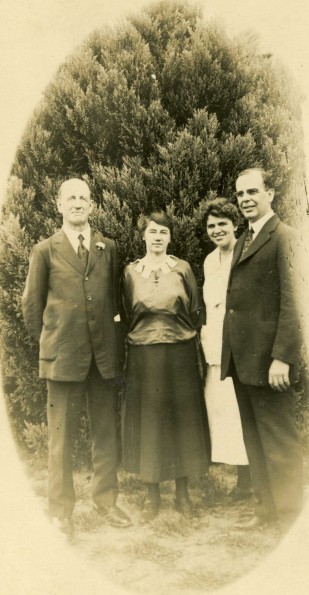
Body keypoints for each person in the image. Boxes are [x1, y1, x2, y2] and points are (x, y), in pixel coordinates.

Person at [22, 178, 131, 531]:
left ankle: (106, 502)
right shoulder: (45, 250)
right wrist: (53, 343)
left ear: (92, 205)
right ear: (59, 205)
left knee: (105, 433)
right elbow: (31, 306)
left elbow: (114, 300)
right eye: (71, 198)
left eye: (84, 197)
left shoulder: (107, 247)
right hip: (63, 359)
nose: (78, 203)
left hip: (102, 359)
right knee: (61, 439)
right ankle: (60, 512)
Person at [221, 167, 303, 531]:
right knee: (253, 438)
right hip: (242, 362)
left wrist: (282, 357)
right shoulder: (243, 241)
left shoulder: (286, 237)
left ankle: (289, 519)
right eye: (240, 195)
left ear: (270, 194)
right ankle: (264, 511)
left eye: (253, 191)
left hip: (271, 363)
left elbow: (295, 303)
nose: (246, 200)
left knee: (280, 442)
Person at [121, 211, 210, 522]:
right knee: (151, 422)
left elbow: (196, 311)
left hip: (180, 353)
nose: (157, 237)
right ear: (144, 236)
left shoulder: (183, 268)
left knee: (181, 420)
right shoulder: (130, 272)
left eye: (163, 232)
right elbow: (125, 312)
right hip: (145, 356)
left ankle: (182, 494)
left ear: (170, 238)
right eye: (152, 231)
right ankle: (151, 497)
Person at [201, 198, 251, 500]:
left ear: (235, 224)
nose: (217, 230)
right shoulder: (209, 261)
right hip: (215, 346)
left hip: (240, 345)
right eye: (211, 226)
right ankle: (242, 479)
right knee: (224, 413)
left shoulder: (245, 254)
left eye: (222, 224)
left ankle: (250, 479)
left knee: (243, 410)